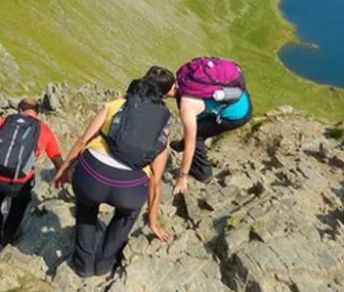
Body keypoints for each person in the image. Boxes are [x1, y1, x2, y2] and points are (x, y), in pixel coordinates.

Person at [52, 77, 175, 278]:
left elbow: (83, 140)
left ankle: (83, 265)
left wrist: (63, 169)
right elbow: (156, 179)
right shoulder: (162, 125)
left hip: (92, 174)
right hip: (130, 187)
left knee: (86, 208)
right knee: (127, 215)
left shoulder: (116, 105)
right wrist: (153, 221)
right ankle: (104, 264)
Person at [0, 98, 64, 246]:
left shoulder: (6, 121)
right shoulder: (44, 129)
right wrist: (65, 177)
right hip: (19, 183)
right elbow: (57, 159)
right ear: (38, 113)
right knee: (19, 205)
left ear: (19, 110)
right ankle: (8, 237)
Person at [169, 57, 252, 194]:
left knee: (197, 135)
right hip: (242, 99)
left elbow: (192, 143)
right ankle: (180, 145)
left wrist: (182, 177)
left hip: (236, 116)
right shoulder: (187, 78)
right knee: (197, 126)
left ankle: (202, 173)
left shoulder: (186, 104)